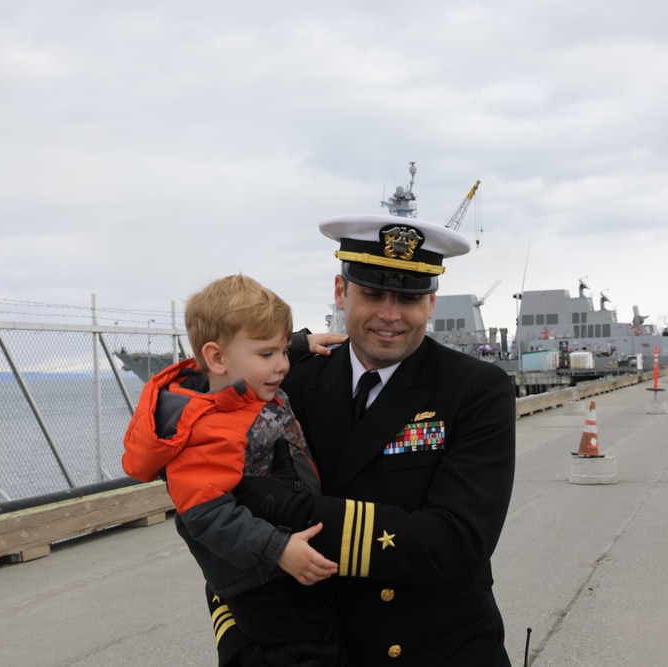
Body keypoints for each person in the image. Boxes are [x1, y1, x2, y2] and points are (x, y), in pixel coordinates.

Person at [231, 215, 517, 665]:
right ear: (341, 292)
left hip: (436, 651)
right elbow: (213, 515)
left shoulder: (476, 390)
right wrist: (239, 639)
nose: (390, 314)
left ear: (431, 303)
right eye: (372, 293)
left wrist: (283, 508)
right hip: (314, 649)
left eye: (408, 297)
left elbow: (458, 547)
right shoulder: (293, 385)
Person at [121, 274, 349, 667]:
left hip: (268, 560)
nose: (281, 366)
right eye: (268, 355)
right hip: (261, 577)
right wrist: (278, 550)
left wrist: (296, 343)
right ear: (217, 358)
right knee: (315, 649)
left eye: (282, 351)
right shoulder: (209, 428)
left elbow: (252, 356)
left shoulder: (238, 388)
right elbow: (205, 515)